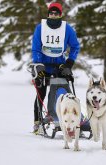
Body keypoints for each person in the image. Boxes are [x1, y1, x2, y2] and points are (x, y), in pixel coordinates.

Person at [31, 2, 80, 133]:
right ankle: (37, 122)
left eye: (56, 13)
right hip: (43, 66)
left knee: (62, 92)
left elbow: (75, 46)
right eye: (51, 13)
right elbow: (36, 48)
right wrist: (38, 64)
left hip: (59, 66)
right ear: (48, 14)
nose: (53, 15)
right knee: (40, 93)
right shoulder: (40, 28)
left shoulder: (67, 29)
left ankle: (65, 118)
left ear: (60, 14)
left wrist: (69, 64)